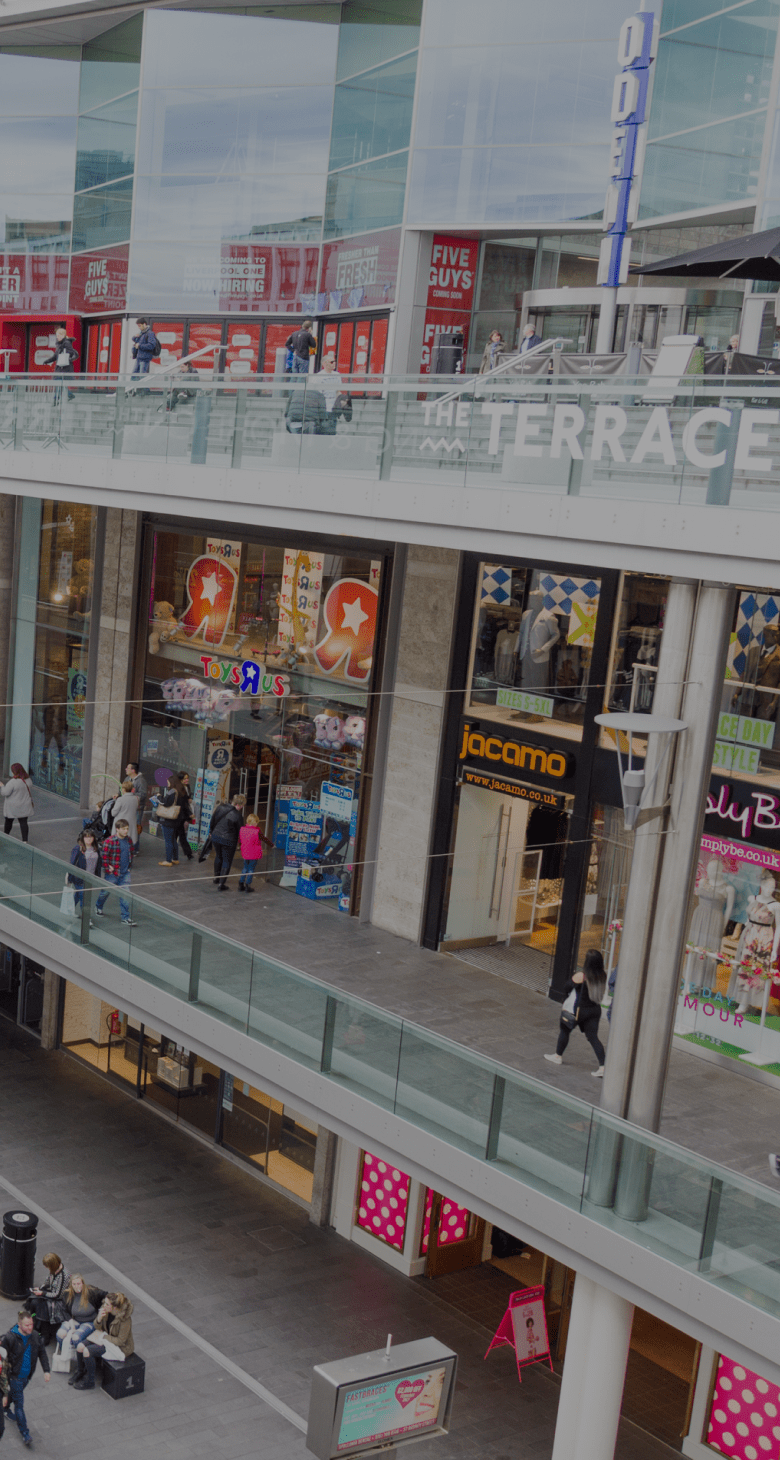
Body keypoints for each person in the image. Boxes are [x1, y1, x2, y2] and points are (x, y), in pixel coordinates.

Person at [544, 949, 607, 1076]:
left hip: (579, 1010)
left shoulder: (581, 976)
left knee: (565, 1030)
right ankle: (603, 1067)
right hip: (595, 1010)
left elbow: (567, 986)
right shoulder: (602, 976)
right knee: (593, 1038)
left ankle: (558, 1056)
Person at [1, 1311, 51, 1447]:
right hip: (15, 1376)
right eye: (27, 1325)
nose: (30, 1327)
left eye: (31, 1324)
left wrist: (46, 1370)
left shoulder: (35, 1335)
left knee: (15, 1395)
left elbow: (42, 1352)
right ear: (19, 1324)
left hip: (27, 1376)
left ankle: (4, 1407)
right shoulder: (10, 1338)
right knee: (19, 1404)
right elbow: (2, 1355)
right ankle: (25, 1433)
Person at [73, 1293, 134, 1391]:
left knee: (87, 1351)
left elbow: (121, 1341)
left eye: (107, 1304)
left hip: (118, 1347)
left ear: (114, 1307)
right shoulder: (106, 1310)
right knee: (80, 1346)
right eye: (104, 1303)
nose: (104, 1306)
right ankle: (80, 1371)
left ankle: (90, 1381)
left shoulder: (125, 1320)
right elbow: (97, 1327)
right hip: (104, 1338)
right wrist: (99, 1319)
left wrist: (105, 1337)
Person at [94, 818, 137, 926]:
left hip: (125, 873)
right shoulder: (110, 841)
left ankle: (125, 917)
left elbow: (130, 854)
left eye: (127, 829)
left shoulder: (129, 840)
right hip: (113, 874)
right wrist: (108, 868)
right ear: (117, 829)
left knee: (125, 895)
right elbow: (104, 856)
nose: (126, 831)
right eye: (123, 829)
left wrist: (129, 867)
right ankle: (98, 906)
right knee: (105, 892)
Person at [55, 1275, 107, 1358]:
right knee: (60, 1334)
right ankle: (65, 1354)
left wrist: (105, 1307)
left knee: (76, 1337)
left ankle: (80, 1358)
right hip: (75, 1319)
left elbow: (106, 1294)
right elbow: (64, 1310)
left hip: (89, 1321)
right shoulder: (67, 1293)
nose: (76, 1286)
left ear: (83, 1283)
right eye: (74, 1284)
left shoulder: (91, 1291)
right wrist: (72, 1326)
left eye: (78, 1284)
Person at [25, 1253, 68, 1344]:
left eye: (48, 1266)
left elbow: (58, 1295)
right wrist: (40, 1288)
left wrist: (43, 1293)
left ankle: (45, 1335)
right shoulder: (54, 1270)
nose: (47, 1268)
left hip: (59, 1301)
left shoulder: (64, 1276)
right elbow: (47, 1282)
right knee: (33, 1301)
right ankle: (36, 1326)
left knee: (43, 1306)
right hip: (51, 1294)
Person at [209, 793, 246, 890]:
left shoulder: (220, 807)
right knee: (227, 860)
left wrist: (211, 831)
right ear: (239, 805)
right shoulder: (238, 815)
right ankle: (221, 884)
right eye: (242, 806)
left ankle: (216, 878)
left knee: (218, 856)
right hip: (229, 840)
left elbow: (213, 820)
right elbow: (240, 830)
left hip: (216, 836)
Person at [155, 772, 186, 867]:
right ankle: (175, 858)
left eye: (168, 782)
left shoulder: (172, 792)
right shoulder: (181, 791)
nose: (167, 783)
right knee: (173, 840)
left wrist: (159, 796)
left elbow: (165, 803)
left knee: (168, 840)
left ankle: (168, 860)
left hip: (168, 819)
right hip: (176, 819)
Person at [237, 812, 272, 891]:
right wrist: (272, 845)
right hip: (254, 853)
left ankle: (241, 883)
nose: (257, 824)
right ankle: (248, 885)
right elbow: (264, 838)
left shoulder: (242, 829)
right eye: (257, 822)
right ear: (254, 822)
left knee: (245, 868)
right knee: (251, 869)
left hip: (245, 852)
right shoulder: (257, 831)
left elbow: (240, 840)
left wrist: (241, 846)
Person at [43, 324, 79, 401]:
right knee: (60, 383)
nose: (57, 337)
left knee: (58, 382)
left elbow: (71, 352)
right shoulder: (59, 345)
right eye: (57, 335)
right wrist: (46, 361)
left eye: (58, 335)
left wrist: (64, 351)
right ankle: (69, 395)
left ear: (62, 335)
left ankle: (56, 398)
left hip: (65, 367)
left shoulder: (66, 343)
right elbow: (55, 356)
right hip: (60, 367)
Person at [0, 764, 35, 841]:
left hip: (13, 806)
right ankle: (25, 840)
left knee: (9, 821)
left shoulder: (12, 782)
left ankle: (6, 837)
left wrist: (2, 786)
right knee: (23, 823)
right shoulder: (28, 779)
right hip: (25, 805)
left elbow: (5, 793)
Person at [110, 779, 140, 846]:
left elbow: (113, 813)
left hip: (121, 824)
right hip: (131, 825)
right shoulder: (136, 799)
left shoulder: (120, 799)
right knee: (129, 843)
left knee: (119, 844)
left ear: (123, 789)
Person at [176, 770, 194, 862]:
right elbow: (183, 803)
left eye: (187, 778)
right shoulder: (179, 789)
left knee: (179, 834)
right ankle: (188, 853)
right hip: (180, 814)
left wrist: (189, 799)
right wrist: (190, 814)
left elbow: (187, 799)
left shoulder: (187, 787)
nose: (187, 780)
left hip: (183, 814)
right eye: (185, 778)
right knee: (181, 834)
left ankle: (185, 853)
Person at [126, 761, 147, 839]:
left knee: (135, 828)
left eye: (127, 768)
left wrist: (130, 795)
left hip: (137, 808)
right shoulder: (127, 778)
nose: (126, 769)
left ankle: (135, 847)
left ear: (133, 770)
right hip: (127, 807)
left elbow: (143, 795)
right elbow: (122, 789)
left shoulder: (141, 781)